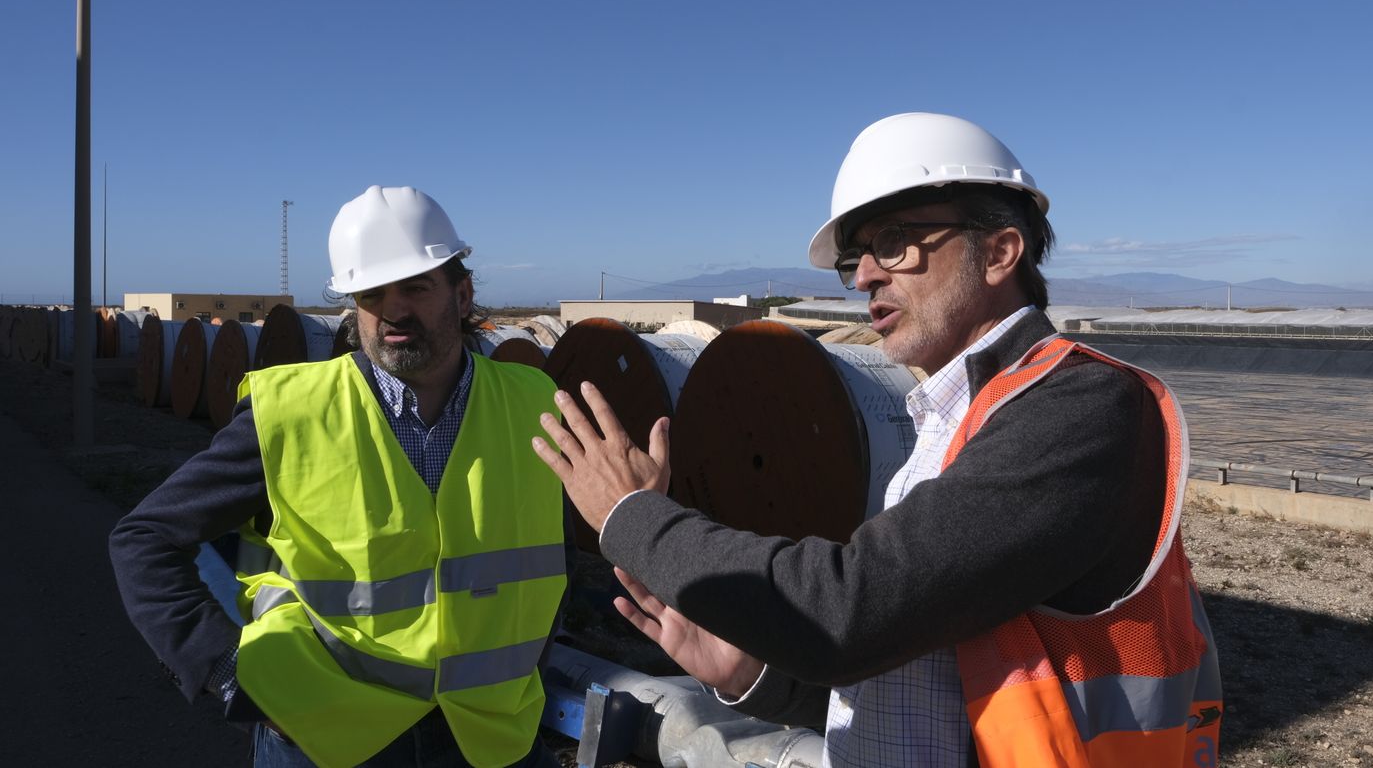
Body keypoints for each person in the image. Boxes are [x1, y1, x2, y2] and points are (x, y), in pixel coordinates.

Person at [536, 113, 1224, 768]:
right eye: (855, 258)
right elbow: (915, 668)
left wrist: (634, 517)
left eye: (894, 241)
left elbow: (850, 609)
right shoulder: (948, 422)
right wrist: (754, 672)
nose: (864, 276)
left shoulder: (1082, 408)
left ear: (999, 251)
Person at [110, 186, 567, 768]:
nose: (394, 310)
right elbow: (144, 538)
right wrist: (225, 670)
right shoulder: (292, 410)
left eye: (417, 287)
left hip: (490, 733)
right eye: (372, 293)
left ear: (462, 293)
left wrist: (535, 658)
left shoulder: (535, 404)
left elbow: (555, 555)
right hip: (324, 736)